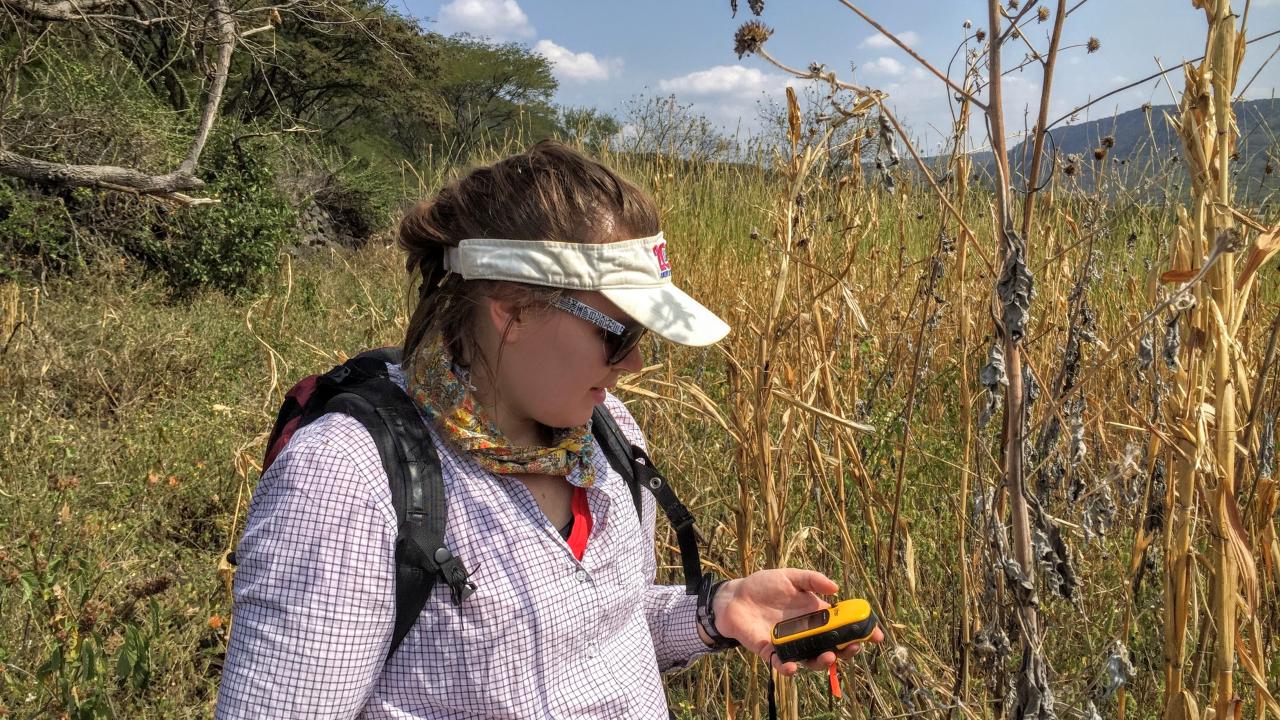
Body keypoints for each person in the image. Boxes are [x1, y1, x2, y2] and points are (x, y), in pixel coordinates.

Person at [214, 140, 882, 719]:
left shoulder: (606, 433)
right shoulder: (347, 481)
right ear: (511, 310)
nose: (637, 364)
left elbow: (601, 629)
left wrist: (718, 612)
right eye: (621, 334)